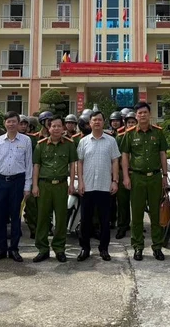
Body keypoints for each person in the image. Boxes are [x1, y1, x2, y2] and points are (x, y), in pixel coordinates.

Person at [121, 102, 168, 261]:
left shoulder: (158, 133)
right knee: (137, 213)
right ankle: (138, 247)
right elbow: (125, 156)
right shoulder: (129, 134)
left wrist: (165, 175)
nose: (142, 115)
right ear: (136, 116)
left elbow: (162, 154)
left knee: (155, 213)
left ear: (149, 114)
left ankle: (157, 247)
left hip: (155, 177)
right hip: (137, 178)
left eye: (145, 112)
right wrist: (126, 176)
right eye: (139, 113)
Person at [0, 111, 32, 263]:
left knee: (16, 217)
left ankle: (14, 249)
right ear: (4, 124)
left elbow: (29, 165)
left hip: (18, 183)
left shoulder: (26, 141)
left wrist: (27, 186)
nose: (11, 124)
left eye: (14, 121)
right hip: (0, 182)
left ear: (19, 123)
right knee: (0, 217)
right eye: (8, 121)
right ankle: (1, 248)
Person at [32, 116, 78, 263]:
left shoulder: (69, 145)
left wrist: (71, 185)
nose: (56, 129)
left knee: (61, 218)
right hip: (44, 185)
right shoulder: (41, 145)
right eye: (53, 126)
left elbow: (72, 165)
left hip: (61, 185)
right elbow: (37, 166)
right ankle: (43, 249)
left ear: (63, 128)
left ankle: (59, 248)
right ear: (49, 128)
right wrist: (35, 185)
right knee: (42, 218)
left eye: (59, 126)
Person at [77, 110, 121, 262]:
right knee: (86, 220)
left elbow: (115, 161)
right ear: (90, 123)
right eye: (94, 120)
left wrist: (115, 180)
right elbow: (80, 162)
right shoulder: (83, 141)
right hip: (87, 186)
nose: (97, 122)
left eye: (99, 120)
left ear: (104, 122)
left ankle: (104, 249)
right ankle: (85, 248)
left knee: (104, 220)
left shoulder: (111, 141)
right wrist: (80, 182)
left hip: (105, 186)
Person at [114, 112, 137, 239]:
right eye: (129, 123)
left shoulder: (140, 136)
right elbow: (116, 159)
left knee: (136, 203)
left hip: (137, 172)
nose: (131, 125)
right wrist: (116, 177)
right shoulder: (120, 137)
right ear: (125, 124)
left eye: (133, 122)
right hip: (123, 172)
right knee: (122, 202)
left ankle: (136, 227)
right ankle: (122, 226)